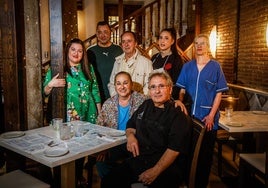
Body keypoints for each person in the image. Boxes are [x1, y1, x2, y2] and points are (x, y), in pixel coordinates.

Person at [101, 71, 191, 188]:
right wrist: (130, 136)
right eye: (153, 87)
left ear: (170, 89)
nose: (157, 91)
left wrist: (155, 171)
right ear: (149, 90)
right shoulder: (146, 104)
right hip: (140, 159)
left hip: (165, 166)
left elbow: (174, 150)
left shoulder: (178, 115)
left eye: (161, 86)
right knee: (108, 181)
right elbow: (131, 124)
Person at [43, 38, 101, 186]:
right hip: (66, 115)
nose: (76, 53)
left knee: (81, 147)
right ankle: (62, 179)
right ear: (67, 51)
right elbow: (44, 91)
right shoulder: (58, 67)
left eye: (80, 51)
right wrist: (51, 84)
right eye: (73, 50)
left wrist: (100, 112)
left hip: (87, 113)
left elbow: (94, 90)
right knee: (65, 146)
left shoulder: (88, 68)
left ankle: (77, 174)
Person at [176, 33, 228, 188]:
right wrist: (179, 100)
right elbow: (182, 89)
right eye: (196, 43)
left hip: (207, 119)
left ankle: (201, 184)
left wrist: (211, 116)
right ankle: (187, 182)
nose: (199, 46)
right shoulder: (187, 66)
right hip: (189, 117)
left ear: (208, 46)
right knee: (187, 152)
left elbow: (219, 93)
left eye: (203, 43)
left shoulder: (215, 67)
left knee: (204, 156)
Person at [95, 71, 146, 179]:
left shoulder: (143, 100)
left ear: (131, 84)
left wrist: (176, 101)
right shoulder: (108, 103)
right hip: (113, 145)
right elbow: (99, 126)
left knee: (132, 166)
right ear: (115, 86)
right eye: (118, 83)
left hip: (134, 143)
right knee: (101, 163)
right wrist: (103, 148)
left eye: (125, 83)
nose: (122, 87)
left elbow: (159, 100)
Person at [108, 31, 153, 97]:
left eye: (129, 41)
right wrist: (117, 98)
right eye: (123, 42)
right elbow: (112, 83)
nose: (126, 44)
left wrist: (140, 100)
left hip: (140, 103)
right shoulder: (117, 62)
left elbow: (150, 85)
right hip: (120, 103)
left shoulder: (146, 62)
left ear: (135, 44)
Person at [87, 21, 123, 103]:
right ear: (96, 34)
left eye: (106, 32)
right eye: (99, 32)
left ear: (111, 32)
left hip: (116, 94)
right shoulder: (90, 51)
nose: (102, 35)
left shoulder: (119, 50)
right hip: (97, 96)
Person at [151, 27, 183, 100]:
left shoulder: (176, 59)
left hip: (169, 97)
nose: (162, 41)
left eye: (166, 38)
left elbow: (178, 83)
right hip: (154, 96)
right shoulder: (154, 58)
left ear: (172, 41)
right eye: (161, 38)